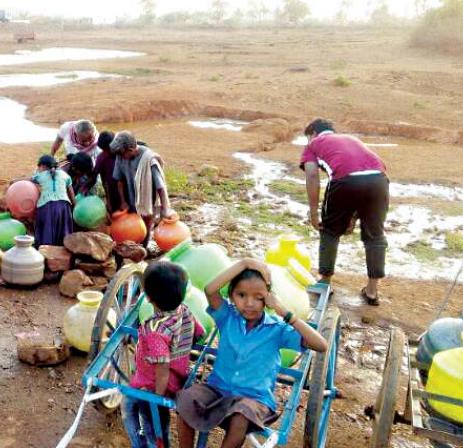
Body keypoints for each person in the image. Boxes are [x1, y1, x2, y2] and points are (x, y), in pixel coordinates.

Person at [176, 259, 328, 448]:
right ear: (231, 296)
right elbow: (210, 290)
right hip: (217, 390)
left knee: (241, 414)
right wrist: (245, 263)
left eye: (259, 297)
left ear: (269, 298)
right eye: (241, 295)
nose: (250, 303)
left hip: (254, 399)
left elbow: (321, 345)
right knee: (186, 400)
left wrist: (284, 312)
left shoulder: (277, 328)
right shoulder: (227, 317)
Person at [300, 118, 389, 305]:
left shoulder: (314, 144)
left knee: (329, 230)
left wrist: (314, 213)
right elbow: (368, 174)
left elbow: (312, 175)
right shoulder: (351, 139)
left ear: (313, 133)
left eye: (308, 137)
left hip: (344, 182)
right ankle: (372, 291)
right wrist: (353, 217)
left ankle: (324, 283)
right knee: (375, 235)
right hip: (379, 180)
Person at [122, 261, 204, 448]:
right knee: (159, 421)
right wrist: (180, 347)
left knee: (131, 407)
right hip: (179, 376)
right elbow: (199, 334)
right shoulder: (185, 311)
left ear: (149, 298)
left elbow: (162, 368)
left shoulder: (155, 331)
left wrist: (157, 398)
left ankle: (141, 444)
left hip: (155, 384)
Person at [110, 131, 173, 246]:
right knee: (135, 226)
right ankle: (135, 246)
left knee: (147, 224)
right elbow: (119, 180)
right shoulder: (121, 157)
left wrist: (165, 208)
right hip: (131, 197)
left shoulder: (149, 159)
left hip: (147, 201)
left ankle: (145, 247)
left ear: (130, 150)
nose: (120, 156)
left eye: (122, 154)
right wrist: (123, 201)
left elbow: (161, 187)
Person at [32, 155, 76, 247]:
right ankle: (64, 257)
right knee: (63, 235)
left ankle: (45, 256)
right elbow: (72, 194)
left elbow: (27, 180)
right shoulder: (65, 175)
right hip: (64, 207)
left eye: (38, 167)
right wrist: (74, 207)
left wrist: (13, 181)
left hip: (47, 207)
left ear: (43, 166)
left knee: (46, 233)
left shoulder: (40, 176)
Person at [88, 130, 123, 214]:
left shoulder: (123, 154)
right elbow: (95, 177)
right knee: (115, 213)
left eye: (109, 149)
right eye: (105, 150)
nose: (107, 152)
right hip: (112, 192)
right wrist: (108, 201)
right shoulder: (101, 158)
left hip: (128, 189)